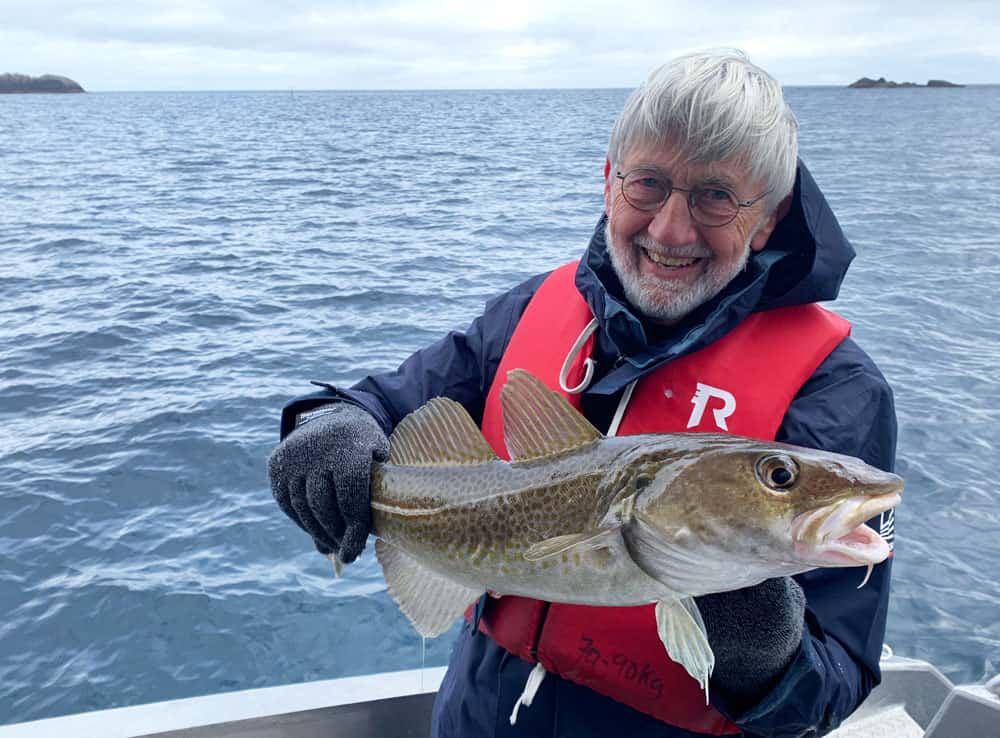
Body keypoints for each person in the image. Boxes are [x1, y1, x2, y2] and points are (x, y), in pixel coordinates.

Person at [269, 49, 897, 738]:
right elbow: (387, 403)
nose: (670, 230)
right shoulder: (536, 306)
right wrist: (331, 424)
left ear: (769, 218)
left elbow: (836, 680)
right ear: (608, 182)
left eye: (716, 196)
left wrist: (764, 648)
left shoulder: (839, 392)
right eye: (648, 185)